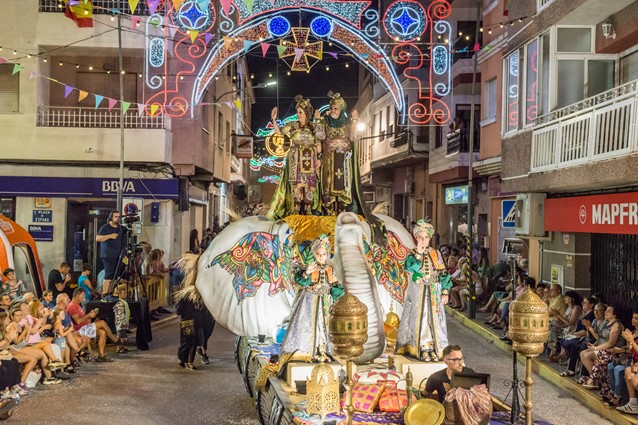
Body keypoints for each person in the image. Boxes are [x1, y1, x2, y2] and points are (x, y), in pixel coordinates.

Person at [280, 235, 344, 362]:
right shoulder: (309, 269)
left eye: (324, 254)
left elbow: (335, 287)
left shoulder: (330, 270)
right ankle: (307, 351)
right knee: (308, 324)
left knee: (324, 325)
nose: (321, 256)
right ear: (314, 254)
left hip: (325, 302)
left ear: (327, 255)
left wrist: (338, 292)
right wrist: (307, 273)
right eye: (318, 254)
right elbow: (300, 281)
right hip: (309, 301)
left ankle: (324, 350)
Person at [396, 220, 453, 361]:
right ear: (416, 238)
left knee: (434, 318)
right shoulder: (412, 254)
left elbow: (443, 273)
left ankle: (434, 347)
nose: (423, 240)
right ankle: (421, 346)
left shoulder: (435, 253)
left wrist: (445, 291)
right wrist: (418, 254)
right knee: (420, 317)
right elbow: (411, 268)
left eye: (426, 237)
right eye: (420, 237)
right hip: (418, 291)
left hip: (433, 290)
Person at [267, 95, 322, 218]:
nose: (298, 114)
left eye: (301, 112)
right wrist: (274, 120)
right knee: (296, 187)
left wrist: (319, 158)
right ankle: (296, 211)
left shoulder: (314, 126)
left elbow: (319, 140)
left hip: (310, 160)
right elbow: (279, 132)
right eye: (297, 112)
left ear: (307, 113)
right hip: (295, 160)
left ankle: (308, 211)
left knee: (309, 187)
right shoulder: (292, 125)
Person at [315, 91, 359, 215]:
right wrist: (317, 121)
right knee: (328, 183)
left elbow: (353, 137)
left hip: (344, 159)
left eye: (336, 108)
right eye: (332, 108)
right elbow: (319, 137)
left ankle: (343, 210)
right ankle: (328, 211)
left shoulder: (347, 123)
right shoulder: (324, 122)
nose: (333, 110)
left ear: (341, 110)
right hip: (329, 158)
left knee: (344, 184)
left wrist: (355, 120)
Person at [66, 288, 120, 362]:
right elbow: (78, 321)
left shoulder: (78, 305)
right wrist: (88, 315)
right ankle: (115, 339)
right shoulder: (72, 306)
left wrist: (90, 315)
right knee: (102, 323)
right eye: (82, 297)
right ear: (77, 295)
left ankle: (101, 355)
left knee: (102, 332)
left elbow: (82, 318)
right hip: (80, 330)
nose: (83, 298)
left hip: (85, 327)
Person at [95, 211, 126, 300]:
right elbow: (98, 238)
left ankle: (111, 292)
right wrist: (110, 236)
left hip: (118, 255)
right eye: (115, 217)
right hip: (107, 255)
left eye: (119, 217)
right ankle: (105, 293)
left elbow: (130, 233)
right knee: (109, 274)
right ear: (111, 218)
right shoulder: (105, 228)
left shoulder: (121, 228)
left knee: (115, 275)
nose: (117, 218)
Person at [112, 284, 130, 354]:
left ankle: (122, 346)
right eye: (124, 293)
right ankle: (118, 347)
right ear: (119, 294)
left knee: (123, 334)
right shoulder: (119, 303)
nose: (125, 295)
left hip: (124, 322)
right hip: (121, 323)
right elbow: (119, 314)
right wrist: (122, 322)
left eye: (125, 293)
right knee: (120, 336)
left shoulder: (124, 302)